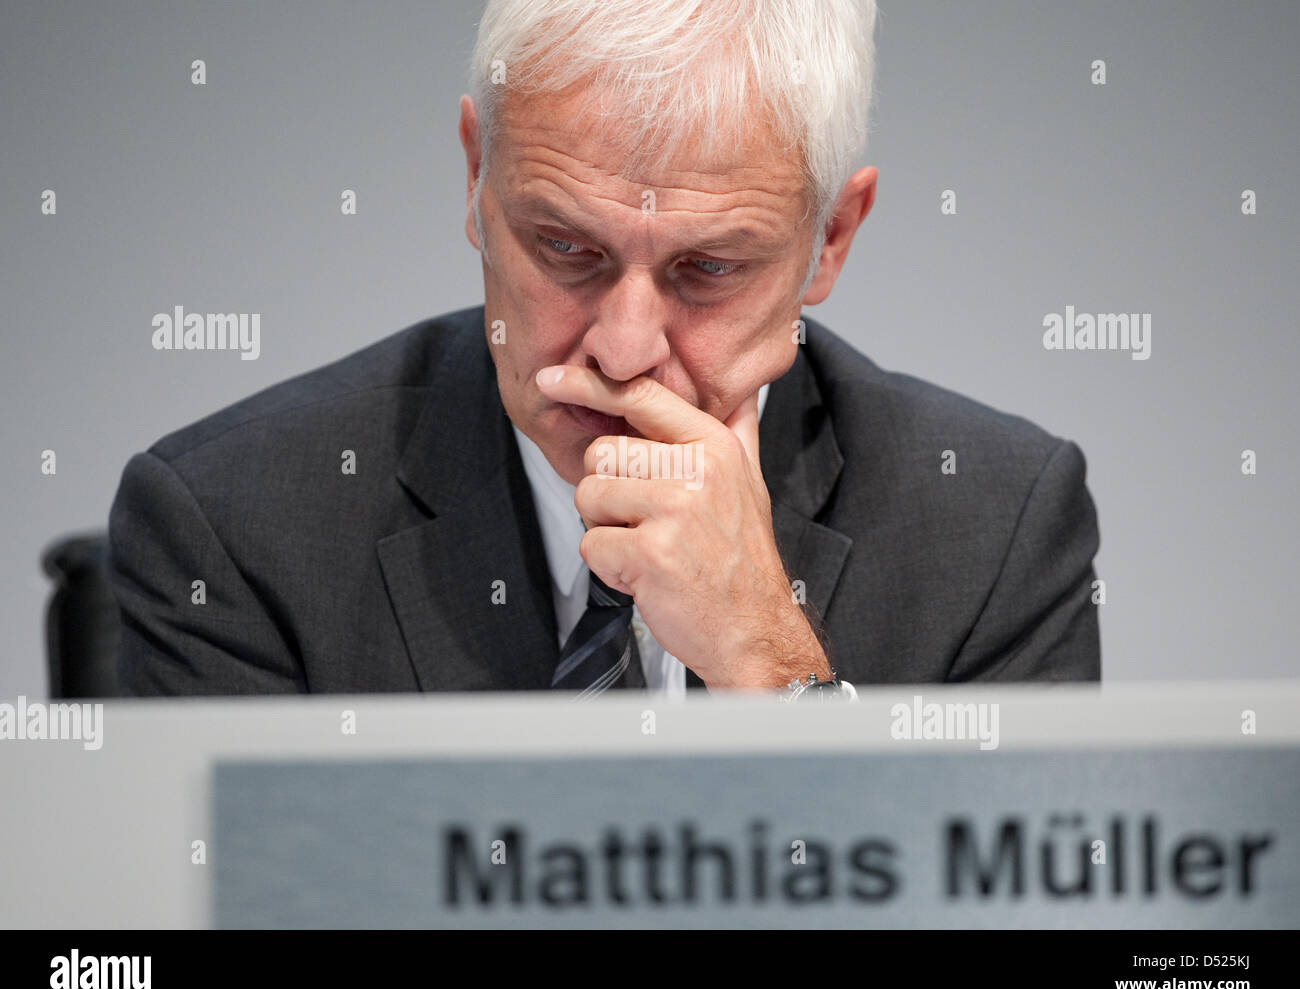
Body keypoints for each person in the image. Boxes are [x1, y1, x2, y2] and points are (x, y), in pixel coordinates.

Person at [108, 0, 1101, 698]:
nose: (624, 350)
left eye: (707, 269)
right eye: (566, 249)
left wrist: (770, 663)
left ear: (828, 241)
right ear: (474, 176)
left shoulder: (993, 528)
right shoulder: (234, 528)